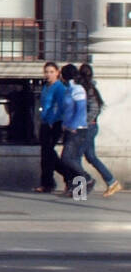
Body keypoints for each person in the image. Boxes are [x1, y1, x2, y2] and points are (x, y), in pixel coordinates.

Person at [78, 63, 121, 198]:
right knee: (90, 156)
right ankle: (111, 182)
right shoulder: (89, 88)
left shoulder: (88, 89)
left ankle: (80, 186)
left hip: (88, 127)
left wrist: (84, 123)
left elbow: (94, 109)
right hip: (91, 126)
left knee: (75, 156)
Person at [57, 63, 96, 199]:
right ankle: (77, 188)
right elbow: (67, 109)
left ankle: (87, 178)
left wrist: (73, 125)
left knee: (67, 159)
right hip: (69, 128)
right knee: (71, 159)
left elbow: (80, 109)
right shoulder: (69, 89)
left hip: (77, 130)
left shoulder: (78, 89)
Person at [35, 61, 65, 194]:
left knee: (49, 154)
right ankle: (47, 182)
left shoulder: (59, 87)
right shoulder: (46, 86)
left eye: (51, 72)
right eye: (46, 72)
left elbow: (61, 106)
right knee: (46, 154)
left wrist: (53, 120)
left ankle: (73, 176)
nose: (48, 74)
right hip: (45, 122)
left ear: (57, 73)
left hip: (54, 123)